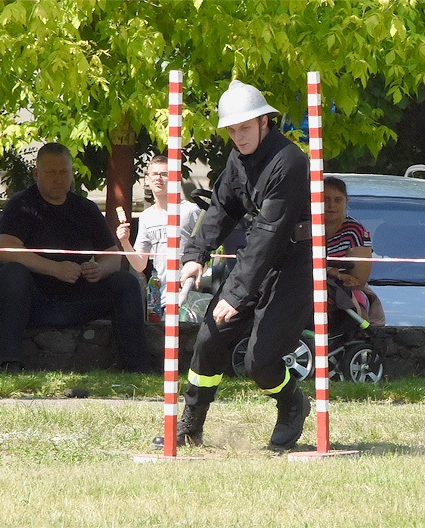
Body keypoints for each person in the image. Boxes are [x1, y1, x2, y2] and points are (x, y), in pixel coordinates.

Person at [152, 80, 313, 451]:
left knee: (261, 362)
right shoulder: (237, 159)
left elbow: (269, 235)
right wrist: (195, 255)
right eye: (232, 130)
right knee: (209, 339)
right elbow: (222, 209)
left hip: (291, 266)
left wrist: (235, 293)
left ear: (264, 121)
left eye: (244, 128)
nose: (238, 137)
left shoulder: (289, 161)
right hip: (255, 262)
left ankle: (292, 404)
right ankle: (191, 424)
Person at [0, 142, 153, 373]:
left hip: (75, 298)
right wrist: (54, 268)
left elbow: (112, 257)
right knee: (12, 273)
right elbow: (6, 249)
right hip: (30, 301)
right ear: (36, 174)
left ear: (71, 173)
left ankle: (137, 368)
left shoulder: (86, 208)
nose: (58, 179)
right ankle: (11, 363)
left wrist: (99, 270)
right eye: (51, 172)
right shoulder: (20, 205)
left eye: (63, 172)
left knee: (126, 282)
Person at [115, 155, 201, 310]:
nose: (158, 178)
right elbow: (140, 264)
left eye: (164, 174)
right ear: (147, 179)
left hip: (189, 296)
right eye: (154, 174)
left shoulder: (190, 211)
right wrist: (125, 242)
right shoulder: (146, 217)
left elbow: (205, 249)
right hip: (158, 299)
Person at [324, 176, 373, 316]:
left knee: (358, 316)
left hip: (344, 293)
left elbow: (358, 281)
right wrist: (335, 272)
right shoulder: (304, 227)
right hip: (305, 289)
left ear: (346, 201)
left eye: (337, 200)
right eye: (325, 199)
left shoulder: (354, 231)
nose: (331, 205)